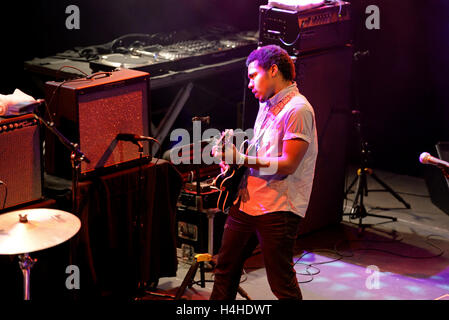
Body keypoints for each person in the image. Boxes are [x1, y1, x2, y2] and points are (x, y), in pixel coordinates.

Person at [210, 45, 318, 300]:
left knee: (281, 284)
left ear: (273, 70)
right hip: (248, 202)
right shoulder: (267, 104)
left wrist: (242, 158)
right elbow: (263, 155)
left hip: (278, 208)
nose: (249, 84)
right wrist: (233, 163)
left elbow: (290, 164)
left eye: (253, 75)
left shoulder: (298, 109)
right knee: (225, 270)